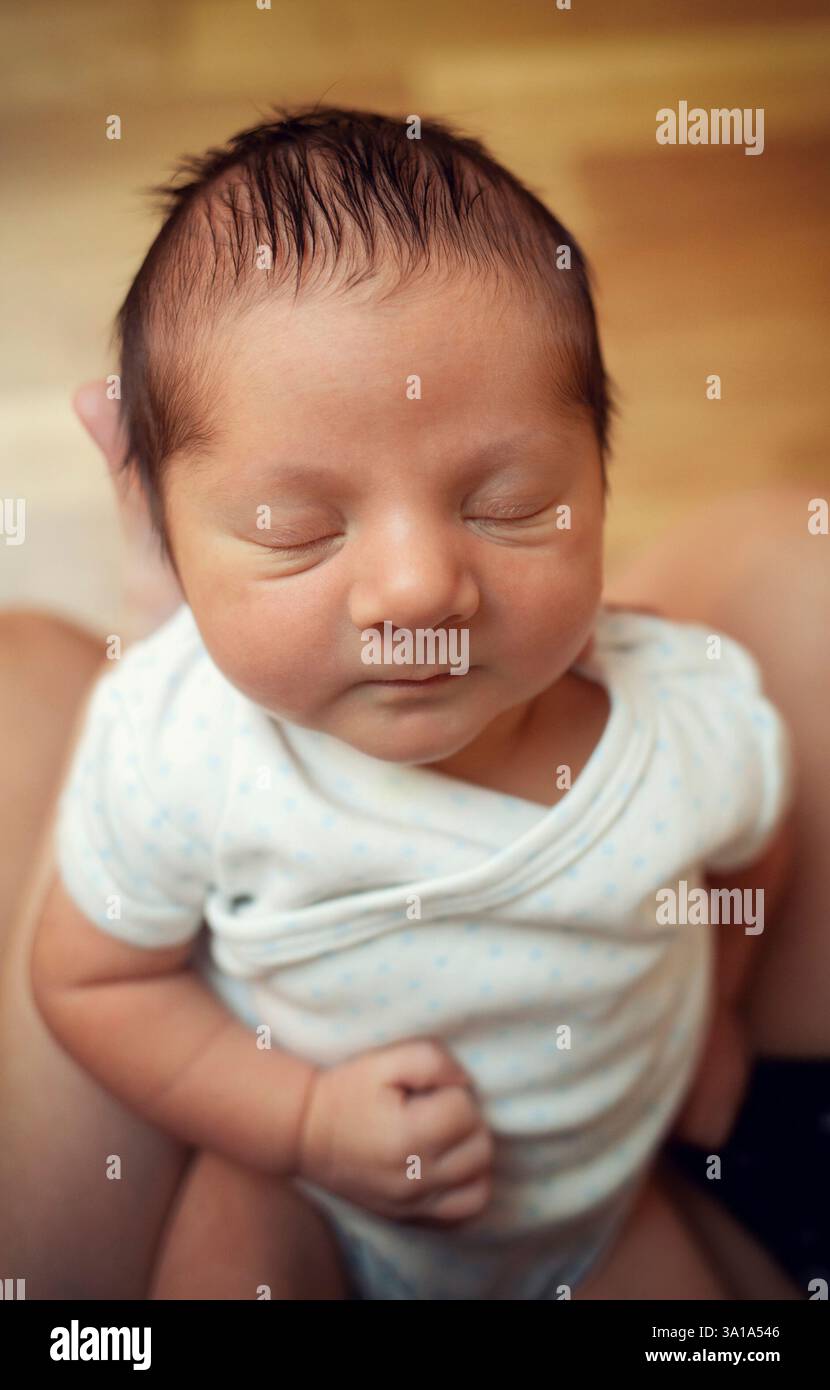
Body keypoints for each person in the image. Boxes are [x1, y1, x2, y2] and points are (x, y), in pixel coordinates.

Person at [3, 107, 826, 1300]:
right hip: (301, 1196)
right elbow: (92, 980)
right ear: (174, 542)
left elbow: (759, 843)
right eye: (296, 529)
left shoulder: (682, 723)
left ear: (597, 481)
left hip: (596, 1205)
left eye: (503, 502)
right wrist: (298, 1123)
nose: (415, 586)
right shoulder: (180, 749)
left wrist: (712, 1009)